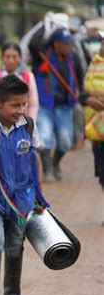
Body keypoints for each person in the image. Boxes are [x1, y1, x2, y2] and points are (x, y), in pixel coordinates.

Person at [0, 75, 40, 295]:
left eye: (24, 104)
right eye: (15, 105)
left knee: (15, 246)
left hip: (21, 202)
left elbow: (34, 161)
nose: (21, 110)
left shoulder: (28, 126)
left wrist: (39, 197)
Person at [30, 27, 85, 182]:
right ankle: (47, 170)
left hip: (65, 106)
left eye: (69, 43)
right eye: (65, 43)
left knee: (65, 141)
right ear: (56, 44)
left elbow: (80, 76)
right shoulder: (42, 56)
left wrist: (81, 95)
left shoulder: (72, 57)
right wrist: (45, 25)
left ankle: (55, 164)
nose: (68, 46)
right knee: (45, 137)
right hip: (46, 105)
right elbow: (33, 43)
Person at [0, 41, 39, 121]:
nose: (11, 60)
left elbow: (33, 104)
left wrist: (30, 123)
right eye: (7, 57)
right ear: (2, 57)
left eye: (14, 57)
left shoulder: (28, 77)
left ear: (20, 58)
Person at [83, 32, 104, 192]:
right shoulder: (93, 65)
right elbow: (81, 93)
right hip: (97, 127)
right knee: (102, 173)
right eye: (102, 43)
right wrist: (88, 100)